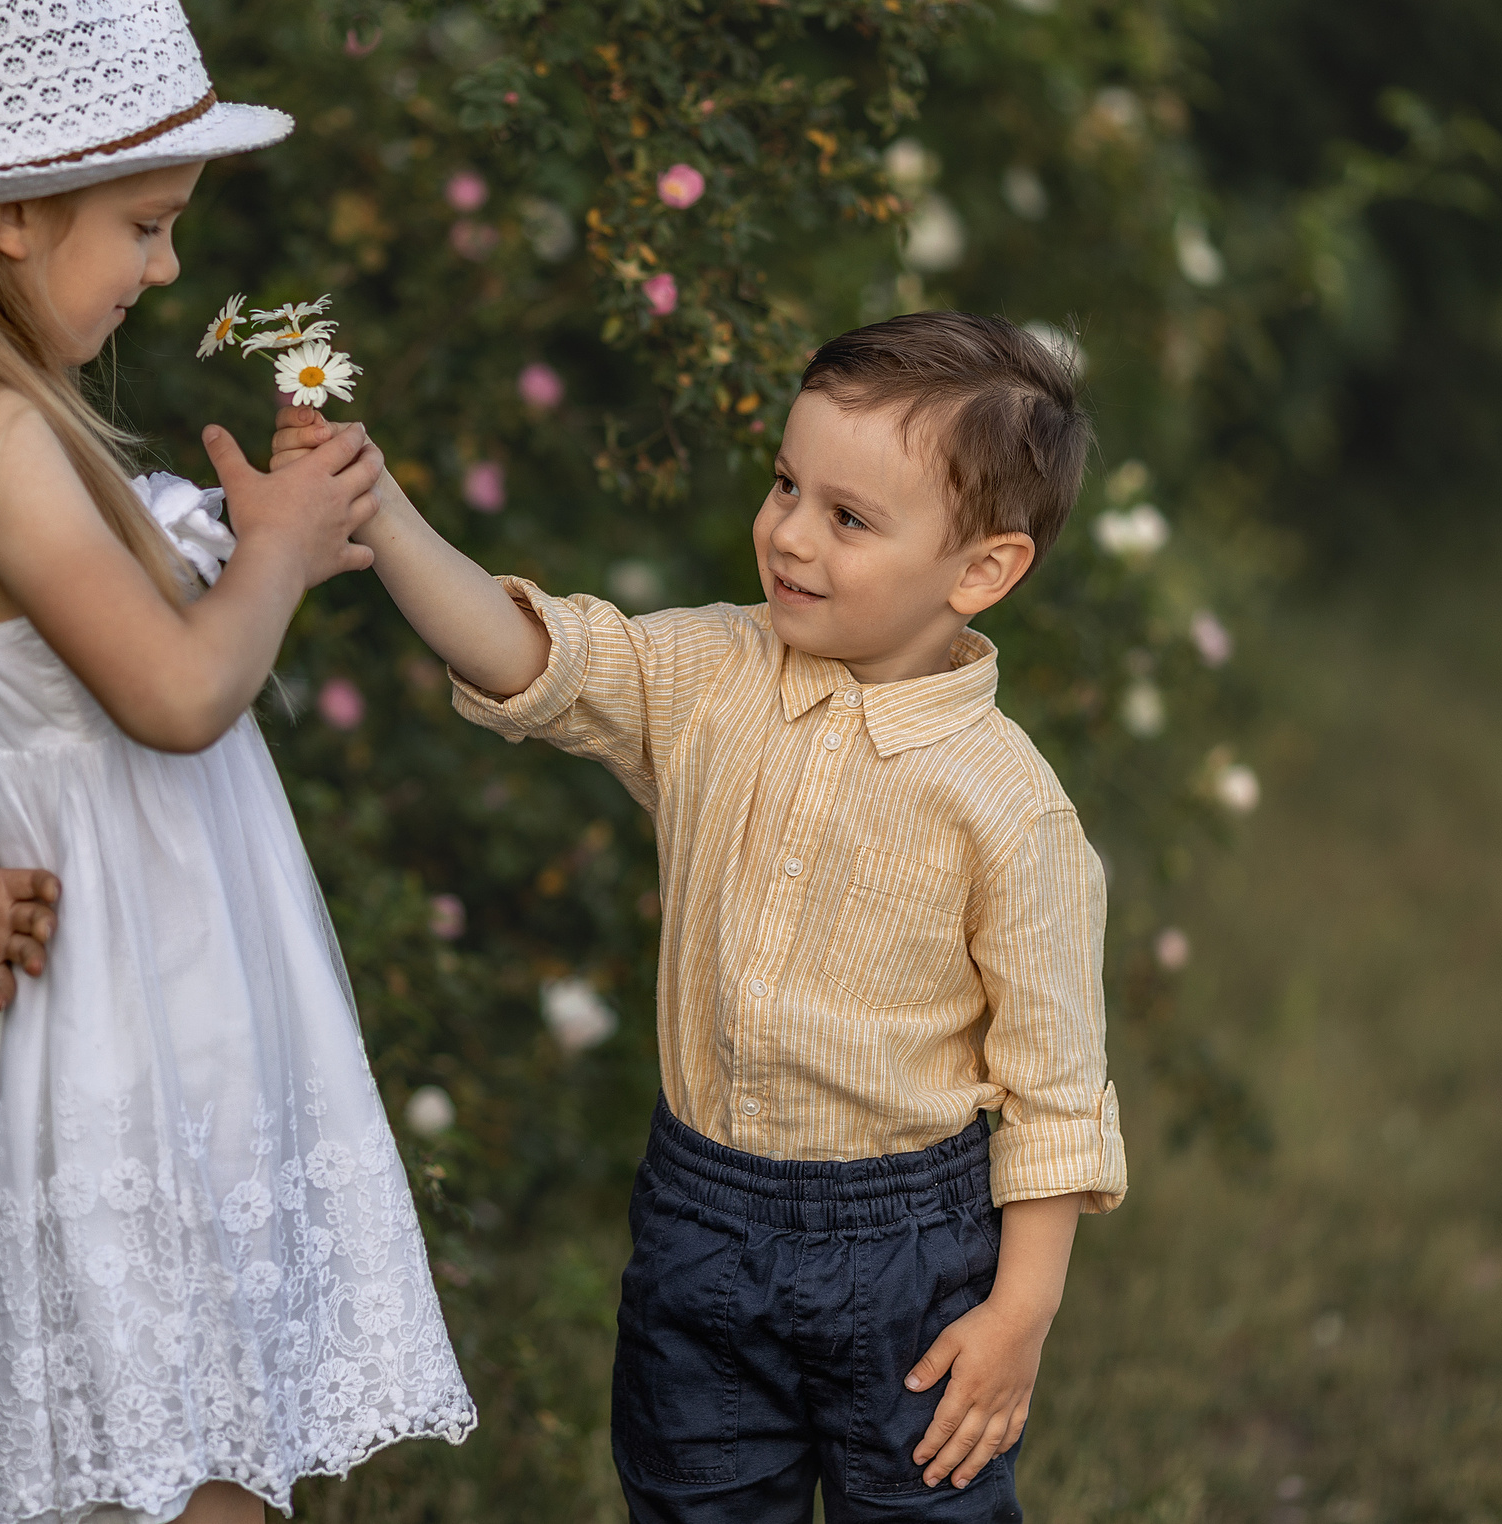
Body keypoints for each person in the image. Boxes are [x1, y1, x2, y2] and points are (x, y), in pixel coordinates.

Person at [0, 0, 475, 1524]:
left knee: (93, 1458)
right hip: (130, 1033)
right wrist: (286, 557)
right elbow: (178, 699)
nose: (170, 269)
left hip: (45, 1020)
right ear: (15, 216)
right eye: (149, 227)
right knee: (191, 1459)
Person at [274, 310, 1126, 1522]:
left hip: (909, 1259)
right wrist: (382, 511)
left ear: (980, 569)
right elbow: (536, 659)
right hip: (702, 1223)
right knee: (694, 1501)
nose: (786, 533)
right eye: (786, 484)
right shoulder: (711, 676)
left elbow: (1052, 1088)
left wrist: (1018, 1311)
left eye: (848, 518)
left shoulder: (1005, 803)